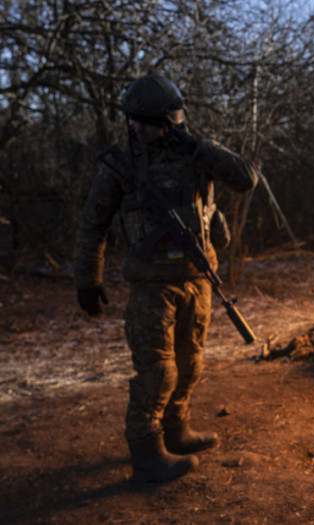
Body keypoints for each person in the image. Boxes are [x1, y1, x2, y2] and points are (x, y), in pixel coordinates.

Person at [74, 74, 258, 482]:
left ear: (171, 120)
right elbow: (93, 223)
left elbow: (247, 178)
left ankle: (176, 431)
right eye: (133, 121)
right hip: (151, 286)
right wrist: (87, 278)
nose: (139, 129)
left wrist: (198, 147)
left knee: (191, 364)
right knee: (157, 371)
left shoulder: (196, 154)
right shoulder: (122, 164)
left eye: (148, 121)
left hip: (197, 278)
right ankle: (146, 452)